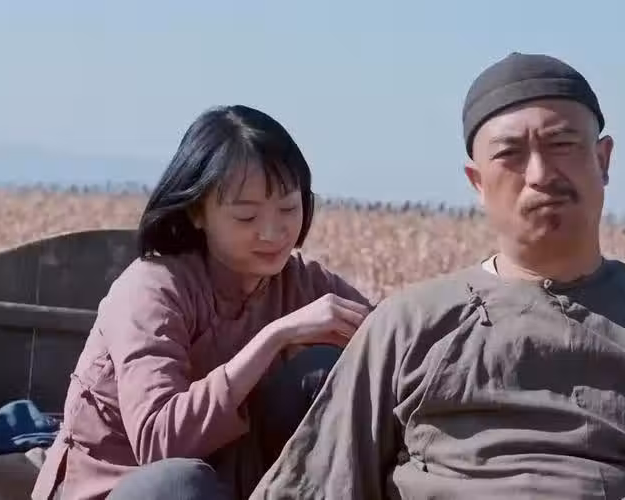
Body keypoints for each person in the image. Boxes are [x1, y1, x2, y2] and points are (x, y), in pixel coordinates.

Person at [250, 52, 625, 499]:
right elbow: (318, 481)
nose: (541, 175)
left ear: (603, 159)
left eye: (562, 144)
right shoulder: (407, 324)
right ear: (477, 182)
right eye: (511, 155)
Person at [31, 105, 373, 500]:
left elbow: (393, 336)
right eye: (246, 216)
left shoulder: (301, 282)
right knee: (180, 484)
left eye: (288, 209)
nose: (272, 232)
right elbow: (161, 444)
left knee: (324, 372)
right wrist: (273, 339)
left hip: (234, 483)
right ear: (197, 212)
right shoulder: (152, 289)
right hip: (126, 488)